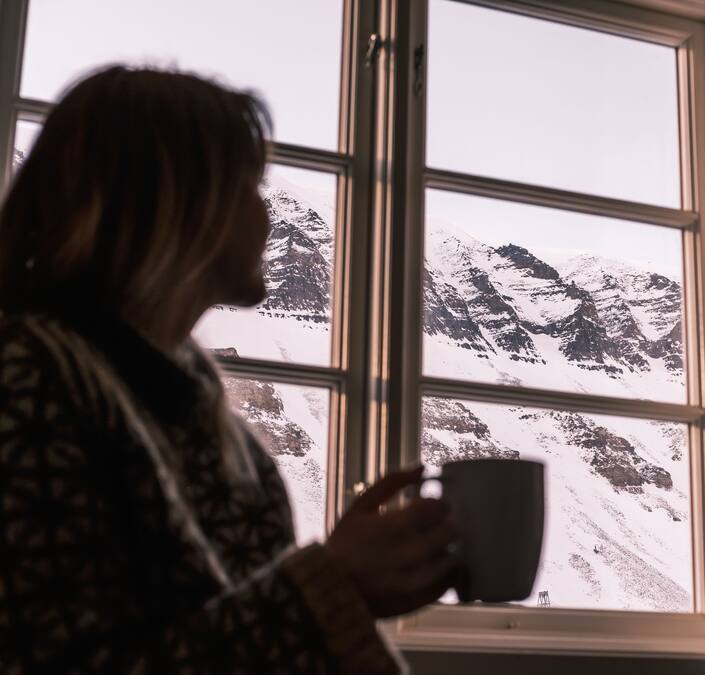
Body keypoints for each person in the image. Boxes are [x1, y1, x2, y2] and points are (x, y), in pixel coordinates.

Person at [0, 66, 458, 673]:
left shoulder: (225, 442)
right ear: (171, 201)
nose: (267, 215)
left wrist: (344, 589)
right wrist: (332, 587)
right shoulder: (25, 382)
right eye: (248, 186)